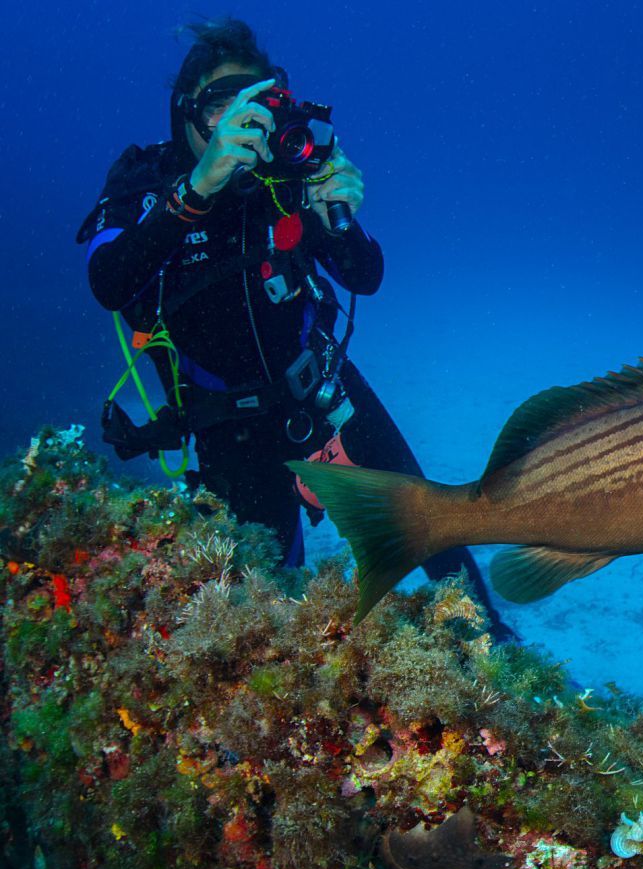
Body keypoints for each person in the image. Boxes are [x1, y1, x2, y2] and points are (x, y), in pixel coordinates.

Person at [77, 18, 512, 640]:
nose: (242, 122)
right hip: (225, 422)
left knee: (432, 524)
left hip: (323, 392)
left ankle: (494, 647)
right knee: (268, 601)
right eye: (221, 103)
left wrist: (339, 213)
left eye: (257, 100)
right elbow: (108, 282)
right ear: (186, 113)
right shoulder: (145, 182)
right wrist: (197, 190)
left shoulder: (285, 174)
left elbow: (366, 275)